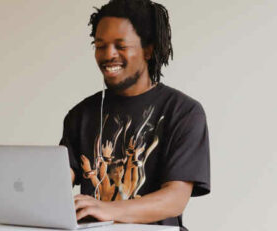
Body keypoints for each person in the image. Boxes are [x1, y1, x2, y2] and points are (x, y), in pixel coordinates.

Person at [59, 0, 210, 230]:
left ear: (148, 49)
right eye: (100, 45)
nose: (108, 54)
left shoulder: (183, 111)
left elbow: (175, 199)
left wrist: (106, 209)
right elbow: (58, 183)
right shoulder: (80, 115)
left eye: (121, 45)